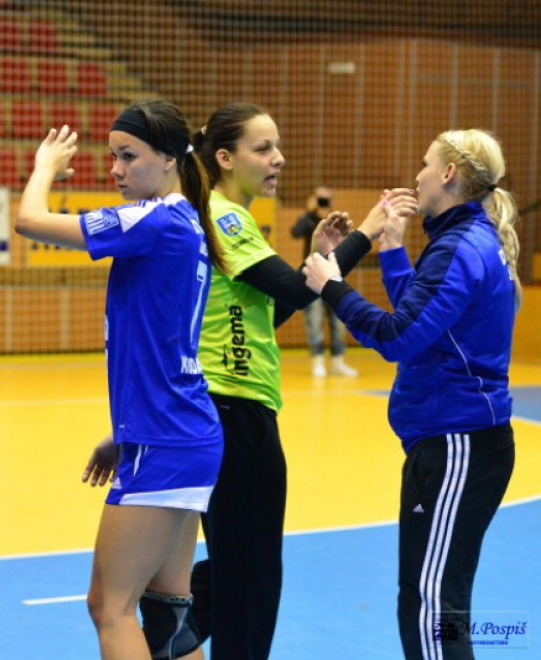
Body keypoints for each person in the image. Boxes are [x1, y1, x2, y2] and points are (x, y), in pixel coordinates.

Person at [185, 102, 417, 660]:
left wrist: (322, 257)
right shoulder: (225, 216)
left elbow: (274, 312)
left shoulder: (225, 216)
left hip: (231, 407)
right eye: (263, 148)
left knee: (239, 562)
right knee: (252, 573)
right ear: (225, 158)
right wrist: (368, 231)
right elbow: (295, 291)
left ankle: (172, 629)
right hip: (235, 408)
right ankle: (168, 628)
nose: (279, 158)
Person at [16, 99, 225, 660]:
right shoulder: (186, 222)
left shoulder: (155, 219)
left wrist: (44, 168)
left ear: (169, 158)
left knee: (109, 607)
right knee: (168, 614)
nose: (115, 169)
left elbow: (29, 222)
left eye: (128, 156)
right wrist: (125, 431)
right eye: (112, 156)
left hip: (166, 438)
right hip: (177, 431)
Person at [304, 129, 518, 660]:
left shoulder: (460, 247)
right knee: (432, 602)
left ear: (448, 173)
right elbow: (424, 327)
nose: (417, 175)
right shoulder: (462, 239)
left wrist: (332, 286)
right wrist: (393, 248)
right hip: (449, 444)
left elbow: (397, 336)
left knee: (433, 607)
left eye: (425, 164)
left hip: (458, 444)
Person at [291, 186, 358, 377]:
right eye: (320, 199)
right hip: (313, 275)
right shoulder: (308, 219)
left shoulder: (335, 220)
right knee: (314, 320)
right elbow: (295, 232)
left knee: (339, 319)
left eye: (326, 199)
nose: (323, 202)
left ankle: (338, 362)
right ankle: (317, 360)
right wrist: (309, 212)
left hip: (333, 274)